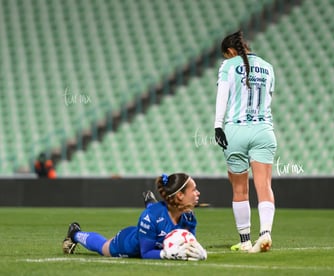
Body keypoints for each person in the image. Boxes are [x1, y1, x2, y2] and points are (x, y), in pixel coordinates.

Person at [214, 30, 277, 253]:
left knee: (240, 189)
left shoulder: (228, 66)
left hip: (235, 131)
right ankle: (266, 233)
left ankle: (245, 240)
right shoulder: (268, 67)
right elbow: (268, 99)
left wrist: (217, 125)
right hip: (263, 131)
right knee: (264, 186)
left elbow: (222, 96)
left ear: (230, 52)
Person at [62, 173, 206, 260]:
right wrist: (165, 254)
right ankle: (75, 233)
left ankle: (151, 203)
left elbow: (190, 243)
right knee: (103, 247)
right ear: (180, 195)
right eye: (194, 190)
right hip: (129, 243)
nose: (198, 193)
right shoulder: (150, 217)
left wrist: (199, 253)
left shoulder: (189, 217)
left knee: (156, 214)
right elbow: (145, 253)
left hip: (153, 225)